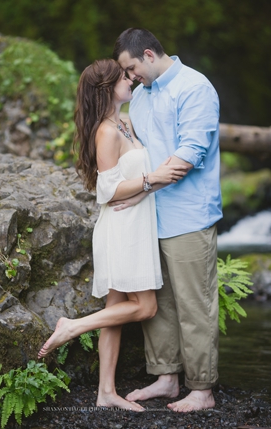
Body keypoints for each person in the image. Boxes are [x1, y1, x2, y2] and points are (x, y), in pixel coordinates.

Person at [36, 58, 188, 411]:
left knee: (117, 308)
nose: (131, 80)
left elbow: (134, 179)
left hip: (135, 222)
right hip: (122, 228)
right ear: (107, 88)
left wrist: (146, 186)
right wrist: (153, 180)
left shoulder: (124, 122)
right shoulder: (105, 131)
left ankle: (106, 392)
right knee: (145, 307)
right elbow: (107, 190)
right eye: (124, 77)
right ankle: (72, 326)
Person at [114, 27, 222, 413]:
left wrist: (144, 186)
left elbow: (191, 152)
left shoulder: (195, 87)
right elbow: (134, 147)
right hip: (149, 217)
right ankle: (166, 377)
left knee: (195, 304)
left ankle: (202, 389)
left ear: (147, 54)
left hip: (189, 213)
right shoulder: (139, 97)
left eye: (130, 69)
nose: (130, 78)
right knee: (157, 301)